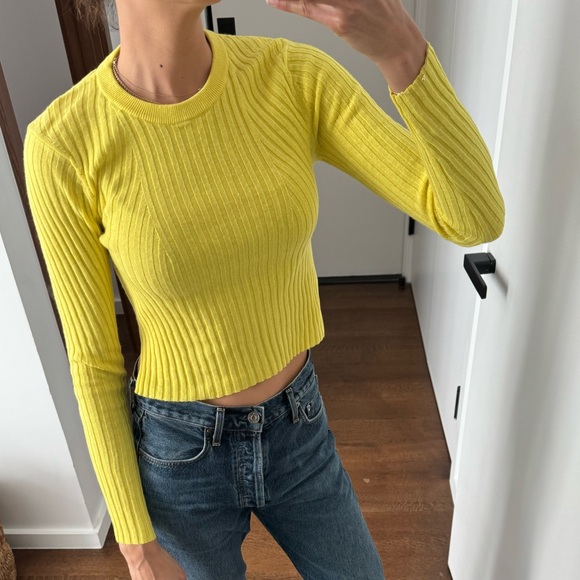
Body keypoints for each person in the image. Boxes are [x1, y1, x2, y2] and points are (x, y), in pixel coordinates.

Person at [23, 0, 505, 577]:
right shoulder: (63, 142)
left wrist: (404, 51)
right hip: (180, 454)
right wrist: (136, 546)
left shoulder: (293, 76)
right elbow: (94, 362)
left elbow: (473, 217)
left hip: (298, 425)